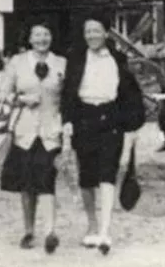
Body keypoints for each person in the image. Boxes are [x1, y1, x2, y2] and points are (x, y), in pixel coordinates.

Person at [60, 15, 146, 254]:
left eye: (96, 31)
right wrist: (67, 120)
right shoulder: (76, 59)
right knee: (86, 177)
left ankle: (106, 231)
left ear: (106, 33)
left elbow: (129, 94)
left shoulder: (118, 59)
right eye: (88, 31)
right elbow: (68, 92)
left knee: (107, 174)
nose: (91, 36)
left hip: (110, 120)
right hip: (84, 119)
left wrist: (130, 126)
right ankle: (92, 225)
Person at [0, 24, 67, 253]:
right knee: (27, 184)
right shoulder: (17, 63)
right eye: (37, 34)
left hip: (50, 132)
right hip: (24, 132)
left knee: (47, 179)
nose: (42, 39)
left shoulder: (61, 63)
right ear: (29, 38)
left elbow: (68, 97)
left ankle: (50, 231)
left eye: (46, 34)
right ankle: (29, 231)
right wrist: (21, 99)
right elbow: (3, 94)